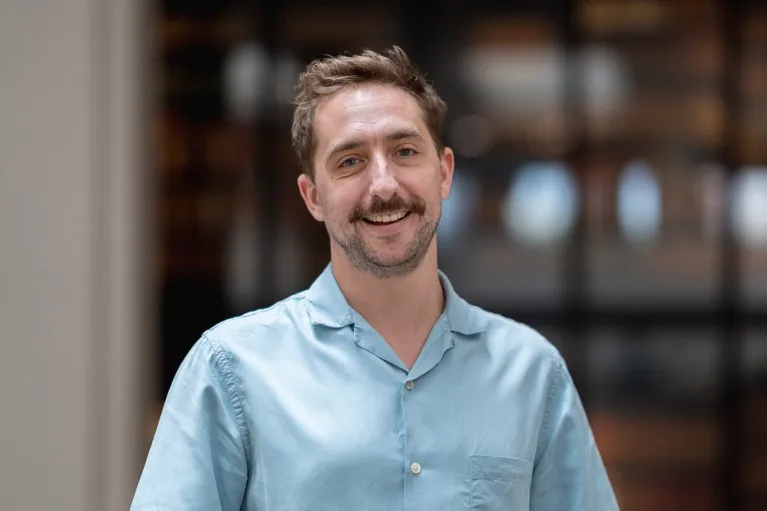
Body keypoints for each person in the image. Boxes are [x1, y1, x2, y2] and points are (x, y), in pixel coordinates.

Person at [131, 46, 619, 510]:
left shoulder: (531, 373)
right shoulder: (231, 369)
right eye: (350, 162)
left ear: (444, 173)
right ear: (313, 196)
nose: (383, 185)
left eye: (405, 151)